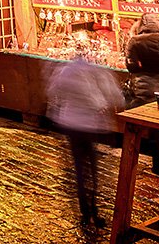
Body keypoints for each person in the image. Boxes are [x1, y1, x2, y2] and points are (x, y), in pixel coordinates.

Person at [48, 45, 123, 228]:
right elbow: (114, 96)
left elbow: (53, 92)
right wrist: (106, 105)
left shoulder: (65, 71)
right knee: (91, 167)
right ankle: (93, 208)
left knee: (80, 168)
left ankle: (85, 210)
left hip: (70, 124)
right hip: (89, 125)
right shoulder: (95, 72)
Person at [125, 13, 159, 211]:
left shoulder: (135, 41)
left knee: (156, 134)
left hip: (146, 94)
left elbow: (131, 66)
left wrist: (144, 71)